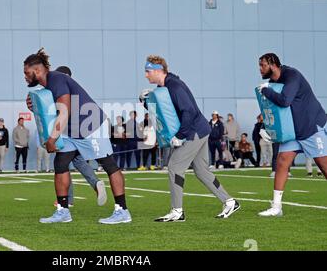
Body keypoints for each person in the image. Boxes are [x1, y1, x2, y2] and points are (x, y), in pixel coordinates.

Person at [24, 48, 131, 224]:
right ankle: (63, 211)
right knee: (60, 163)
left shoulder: (56, 78)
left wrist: (52, 139)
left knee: (108, 164)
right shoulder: (47, 85)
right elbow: (53, 109)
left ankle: (122, 211)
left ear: (37, 70)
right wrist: (34, 105)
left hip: (91, 126)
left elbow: (65, 111)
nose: (25, 77)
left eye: (27, 73)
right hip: (72, 131)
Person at [140, 55, 240, 222]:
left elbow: (189, 111)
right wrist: (145, 101)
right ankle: (230, 202)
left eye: (148, 71)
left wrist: (180, 136)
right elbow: (166, 111)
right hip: (198, 130)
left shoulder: (175, 86)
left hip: (194, 131)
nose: (146, 75)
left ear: (158, 71)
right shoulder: (164, 86)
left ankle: (177, 211)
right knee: (201, 171)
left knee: (174, 167)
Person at [257, 53, 327, 217]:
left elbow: (284, 100)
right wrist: (268, 128)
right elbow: (275, 109)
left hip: (311, 126)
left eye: (263, 65)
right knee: (282, 162)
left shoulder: (291, 75)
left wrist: (266, 91)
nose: (260, 69)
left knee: (324, 166)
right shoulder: (273, 82)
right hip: (294, 131)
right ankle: (276, 207)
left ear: (273, 64)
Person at [51, 65, 107, 207]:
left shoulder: (61, 92)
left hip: (70, 135)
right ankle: (95, 182)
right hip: (84, 133)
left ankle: (66, 200)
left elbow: (57, 114)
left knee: (62, 165)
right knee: (79, 161)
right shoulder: (77, 91)